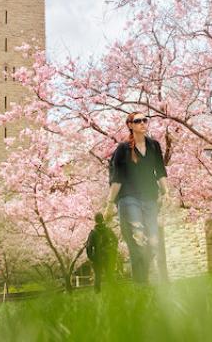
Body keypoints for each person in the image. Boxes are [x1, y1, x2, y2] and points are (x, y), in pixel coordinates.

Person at [105, 112, 168, 284]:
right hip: (128, 198)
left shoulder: (154, 145)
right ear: (130, 125)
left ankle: (142, 280)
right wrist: (109, 204)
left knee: (153, 242)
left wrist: (166, 192)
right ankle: (141, 285)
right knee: (138, 239)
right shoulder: (122, 149)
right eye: (137, 121)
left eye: (144, 120)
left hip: (149, 197)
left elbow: (160, 171)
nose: (142, 123)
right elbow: (116, 178)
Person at [85, 212, 119, 292]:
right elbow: (116, 240)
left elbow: (88, 247)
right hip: (108, 256)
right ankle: (116, 293)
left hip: (97, 257)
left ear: (95, 220)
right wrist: (113, 250)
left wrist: (92, 258)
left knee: (97, 276)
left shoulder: (93, 233)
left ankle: (97, 293)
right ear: (102, 219)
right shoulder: (108, 230)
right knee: (110, 275)